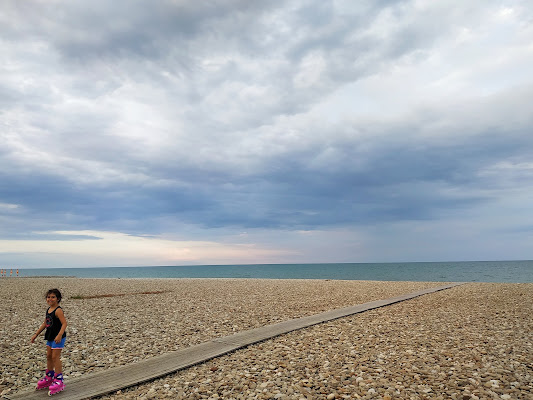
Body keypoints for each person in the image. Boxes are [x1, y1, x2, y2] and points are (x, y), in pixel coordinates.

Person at [31, 289, 68, 395]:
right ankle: (49, 376)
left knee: (55, 357)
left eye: (53, 297)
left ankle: (59, 378)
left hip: (58, 337)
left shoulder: (58, 310)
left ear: (58, 299)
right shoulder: (49, 309)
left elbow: (64, 323)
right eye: (48, 297)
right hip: (50, 336)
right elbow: (45, 323)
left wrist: (60, 335)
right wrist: (36, 334)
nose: (50, 299)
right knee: (48, 356)